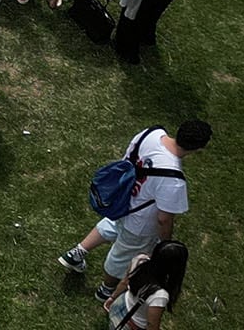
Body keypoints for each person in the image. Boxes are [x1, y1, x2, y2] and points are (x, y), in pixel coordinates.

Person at [58, 121, 211, 301]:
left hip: (121, 201)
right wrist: (165, 244)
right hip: (140, 223)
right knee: (121, 256)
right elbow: (164, 219)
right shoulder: (174, 180)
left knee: (111, 226)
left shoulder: (152, 133)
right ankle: (106, 290)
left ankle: (77, 253)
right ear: (196, 148)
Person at [104, 240, 188, 330]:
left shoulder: (140, 260)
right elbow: (151, 325)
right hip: (130, 325)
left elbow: (124, 282)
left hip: (119, 305)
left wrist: (112, 298)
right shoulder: (160, 296)